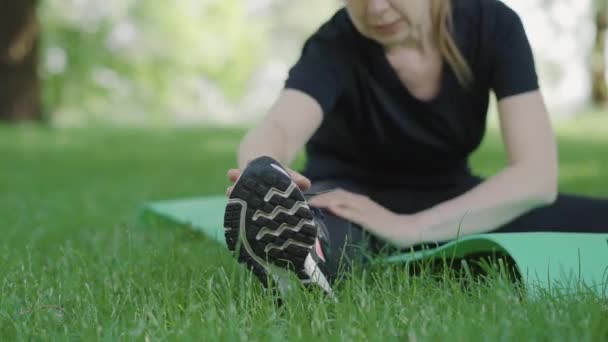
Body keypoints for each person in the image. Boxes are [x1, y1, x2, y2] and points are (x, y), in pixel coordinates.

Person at [223, 0, 608, 296]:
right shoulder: (334, 44)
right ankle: (292, 258)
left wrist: (410, 228)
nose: (375, 9)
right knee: (321, 235)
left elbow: (537, 176)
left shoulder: (494, 25)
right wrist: (264, 169)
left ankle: (432, 240)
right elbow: (280, 125)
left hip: (450, 198)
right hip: (346, 200)